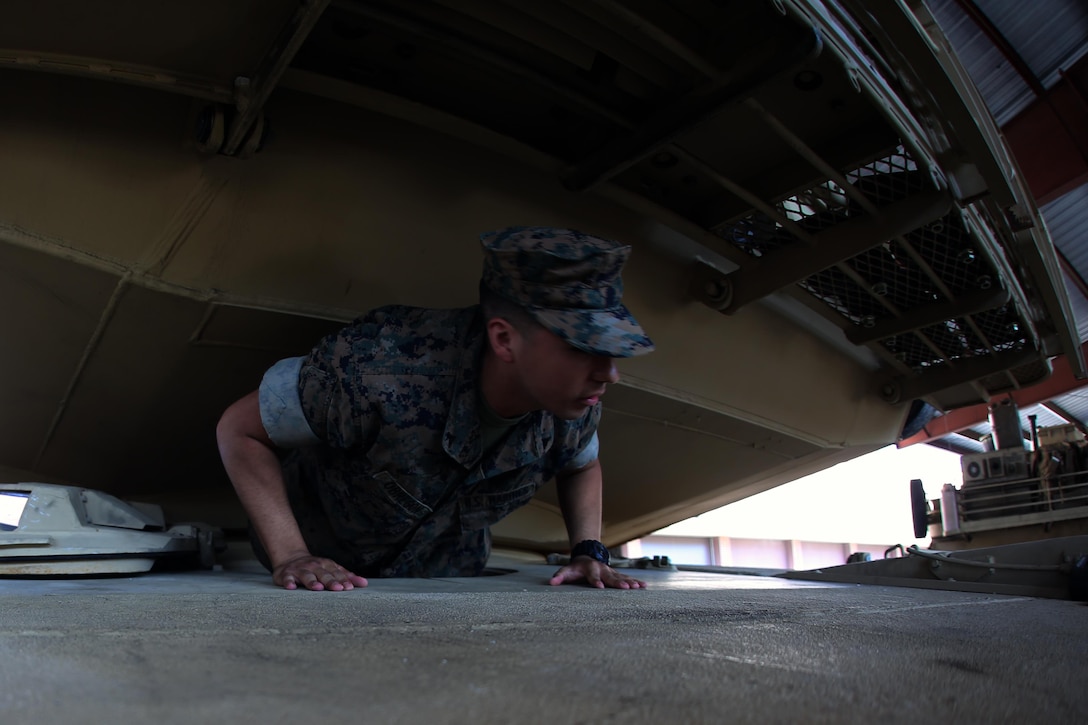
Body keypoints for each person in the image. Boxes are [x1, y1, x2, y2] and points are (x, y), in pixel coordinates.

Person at [216, 226, 655, 591]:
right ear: (504, 339)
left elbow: (582, 464)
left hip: (445, 578)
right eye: (583, 348)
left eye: (611, 352)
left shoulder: (572, 399)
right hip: (320, 574)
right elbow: (240, 429)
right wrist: (291, 555)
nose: (609, 374)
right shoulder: (379, 367)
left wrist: (588, 551)